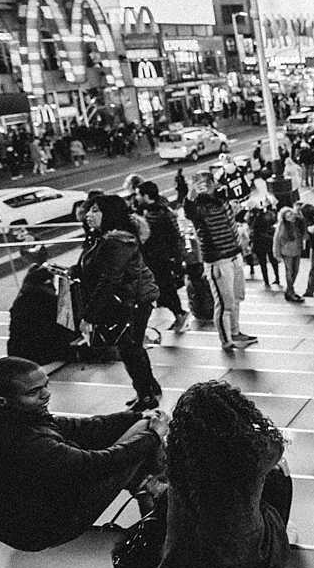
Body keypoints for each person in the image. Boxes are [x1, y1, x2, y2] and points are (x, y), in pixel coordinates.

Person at [0, 357, 167, 552]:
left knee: (142, 427)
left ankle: (151, 489)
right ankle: (160, 495)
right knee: (144, 439)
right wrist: (153, 435)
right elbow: (96, 465)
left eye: (46, 385)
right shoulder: (21, 440)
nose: (46, 395)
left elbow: (83, 428)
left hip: (26, 510)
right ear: (1, 401)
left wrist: (138, 416)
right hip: (38, 531)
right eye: (34, 392)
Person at [153, 381, 291, 568]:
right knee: (279, 475)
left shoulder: (179, 458)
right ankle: (281, 531)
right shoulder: (253, 456)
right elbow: (277, 446)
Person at [78, 196, 162, 410]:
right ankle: (150, 387)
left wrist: (89, 316)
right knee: (133, 346)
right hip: (132, 299)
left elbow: (109, 280)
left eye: (95, 211)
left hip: (134, 301)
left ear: (109, 214)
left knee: (129, 349)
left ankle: (145, 395)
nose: (88, 215)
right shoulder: (107, 238)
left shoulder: (116, 242)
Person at [184, 171, 256, 351]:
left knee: (237, 298)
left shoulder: (221, 200)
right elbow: (189, 210)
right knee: (225, 303)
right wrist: (192, 193)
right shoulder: (198, 208)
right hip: (218, 261)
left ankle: (235, 332)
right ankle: (226, 340)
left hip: (234, 255)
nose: (206, 186)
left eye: (208, 182)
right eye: (201, 183)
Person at [136, 182, 189, 333]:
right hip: (159, 257)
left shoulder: (157, 214)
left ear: (146, 196)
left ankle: (180, 314)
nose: (137, 197)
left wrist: (177, 258)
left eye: (139, 194)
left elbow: (172, 236)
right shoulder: (158, 210)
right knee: (166, 287)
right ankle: (179, 314)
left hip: (159, 258)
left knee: (163, 288)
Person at [272, 207, 306, 302]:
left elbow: (304, 234)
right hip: (287, 251)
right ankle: (291, 292)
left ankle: (289, 291)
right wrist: (277, 253)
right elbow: (277, 239)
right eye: (287, 216)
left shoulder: (298, 223)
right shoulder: (282, 225)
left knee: (296, 270)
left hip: (297, 250)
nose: (290, 216)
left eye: (291, 214)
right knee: (289, 271)